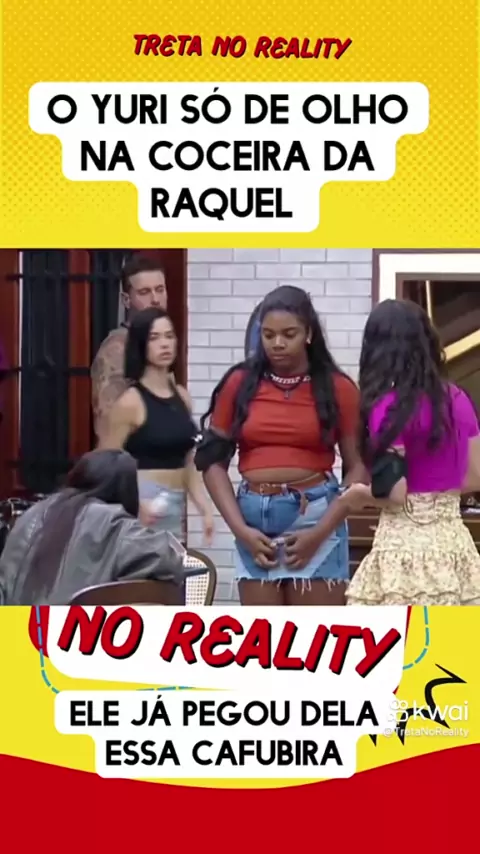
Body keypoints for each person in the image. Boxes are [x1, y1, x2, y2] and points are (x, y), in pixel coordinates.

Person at [196, 285, 367, 606]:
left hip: (316, 517)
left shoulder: (338, 387)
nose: (277, 343)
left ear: (309, 334)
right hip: (253, 523)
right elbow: (211, 463)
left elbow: (358, 466)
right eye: (268, 334)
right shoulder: (239, 383)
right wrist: (239, 530)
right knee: (266, 634)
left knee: (315, 634)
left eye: (289, 334)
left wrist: (321, 532)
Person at [342, 299, 480, 606]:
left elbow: (395, 493)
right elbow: (475, 477)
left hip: (403, 552)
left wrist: (360, 495)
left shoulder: (388, 407)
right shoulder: (458, 399)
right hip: (455, 547)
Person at [0, 449, 185, 606]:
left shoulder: (32, 514)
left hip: (14, 633)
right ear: (126, 489)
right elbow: (167, 561)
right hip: (76, 634)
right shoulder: (114, 523)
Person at [98, 307, 214, 544]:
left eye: (169, 336)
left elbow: (188, 460)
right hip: (141, 507)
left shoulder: (182, 397)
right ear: (141, 345)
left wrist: (204, 507)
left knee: (174, 565)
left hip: (175, 506)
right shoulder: (130, 402)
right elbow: (106, 465)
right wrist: (137, 505)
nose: (164, 344)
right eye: (155, 337)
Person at [91, 254, 168, 437]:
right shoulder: (117, 349)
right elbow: (109, 422)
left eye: (160, 290)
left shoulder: (162, 344)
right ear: (126, 300)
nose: (155, 299)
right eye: (144, 292)